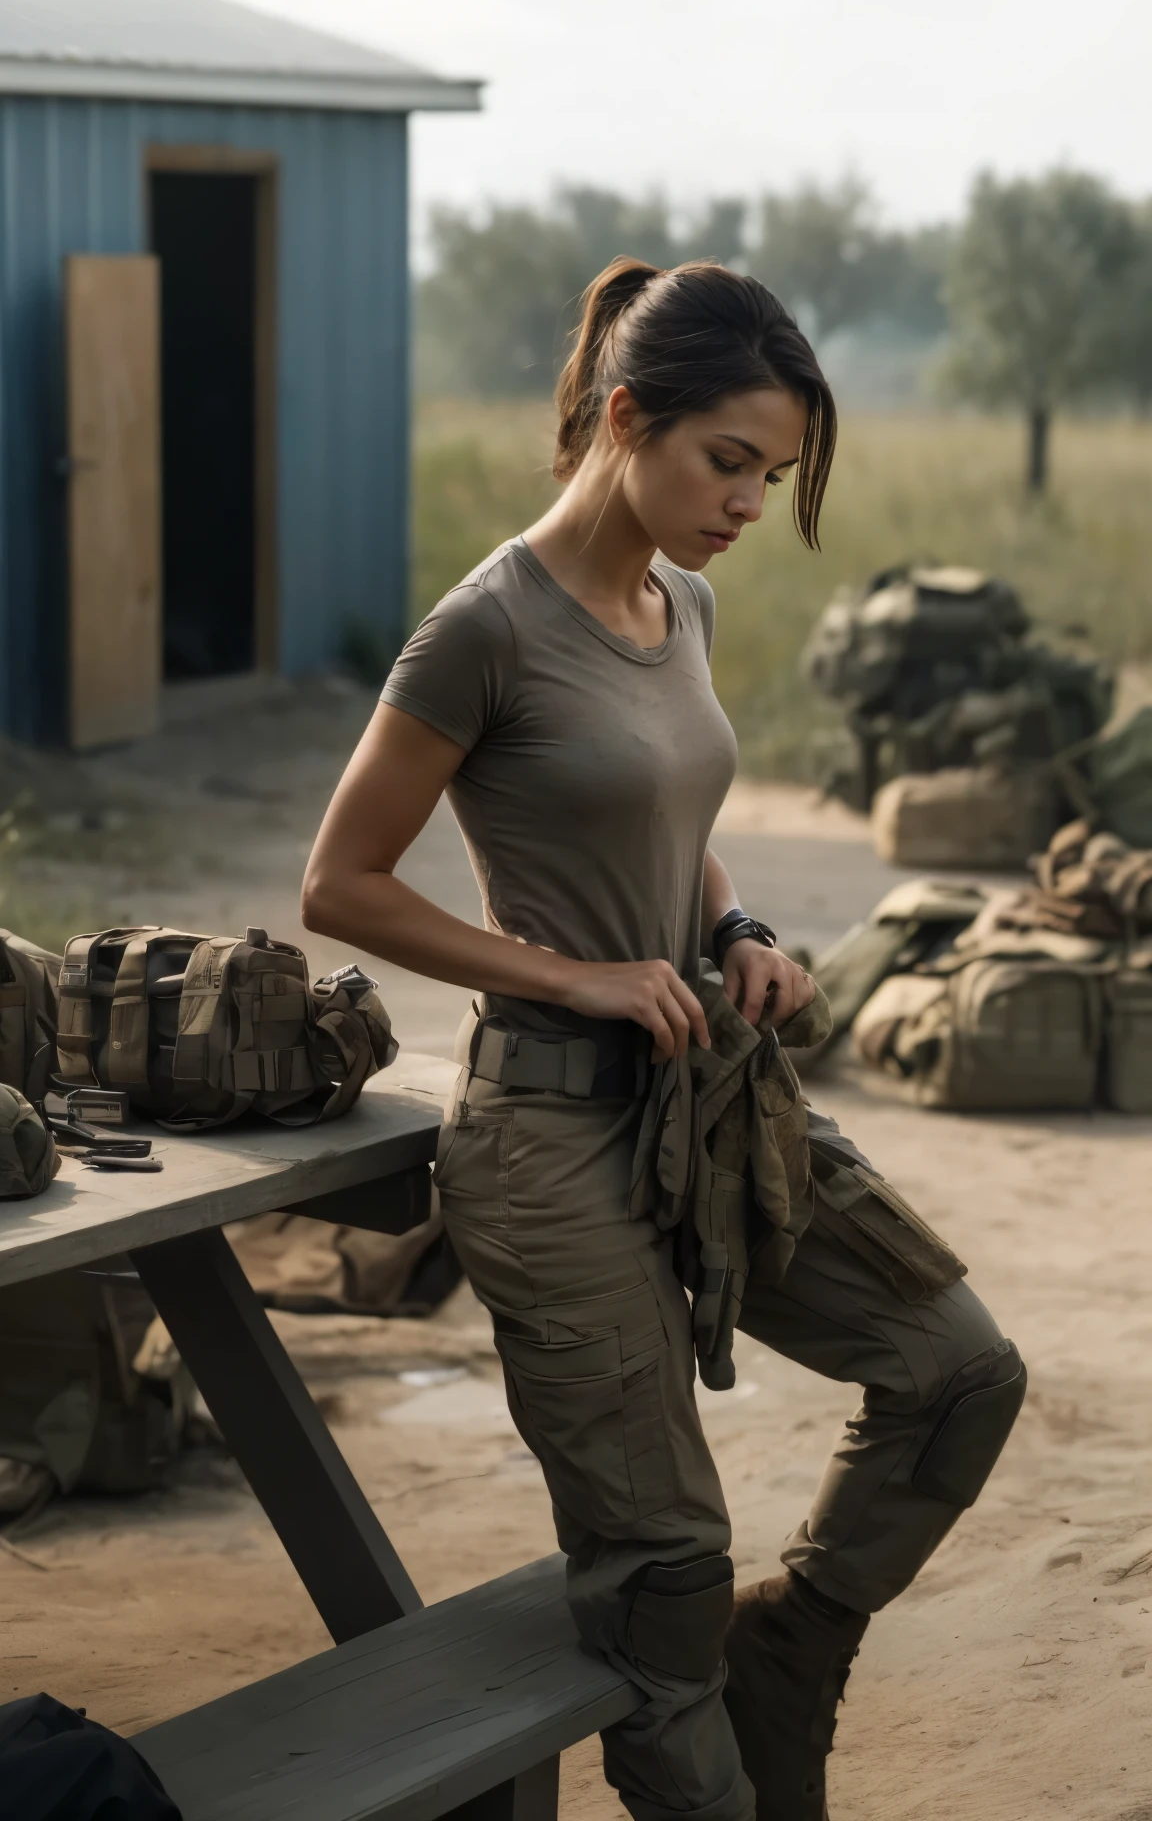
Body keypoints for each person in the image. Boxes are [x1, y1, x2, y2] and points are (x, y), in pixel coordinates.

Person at [301, 259, 1026, 1821]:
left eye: (772, 474)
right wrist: (578, 979)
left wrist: (739, 926)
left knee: (961, 1370)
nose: (752, 504)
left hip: (713, 1106)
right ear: (626, 417)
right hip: (550, 1139)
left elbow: (674, 816)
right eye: (730, 462)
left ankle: (800, 1647)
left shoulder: (678, 600)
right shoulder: (481, 630)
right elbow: (341, 885)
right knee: (662, 1579)